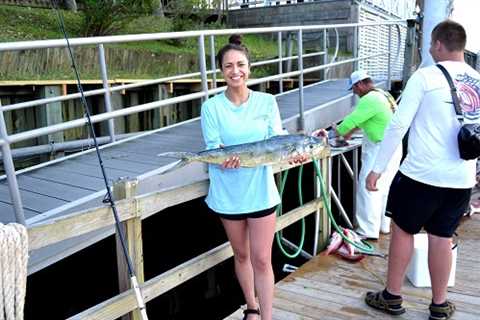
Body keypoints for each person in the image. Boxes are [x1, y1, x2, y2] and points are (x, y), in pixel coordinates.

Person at [364, 20, 480, 320]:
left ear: (439, 44)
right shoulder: (477, 80)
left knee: (404, 230)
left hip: (421, 175)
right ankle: (439, 305)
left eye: (431, 44)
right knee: (443, 235)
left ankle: (392, 296)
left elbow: (398, 124)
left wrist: (377, 169)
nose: (429, 48)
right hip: (461, 178)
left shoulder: (425, 76)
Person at [200, 34, 307, 320]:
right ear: (221, 71)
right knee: (242, 256)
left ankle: (268, 316)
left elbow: (278, 138)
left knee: (262, 258)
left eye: (241, 65)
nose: (235, 71)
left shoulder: (266, 102)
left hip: (260, 190)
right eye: (228, 66)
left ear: (249, 68)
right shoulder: (211, 107)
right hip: (227, 192)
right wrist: (224, 159)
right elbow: (213, 148)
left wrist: (294, 151)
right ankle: (252, 306)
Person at [318, 70, 402, 239]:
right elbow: (366, 118)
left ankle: (367, 231)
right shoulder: (383, 95)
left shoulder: (369, 99)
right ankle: (383, 226)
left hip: (380, 149)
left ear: (360, 85)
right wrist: (350, 132)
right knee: (383, 187)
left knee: (367, 187)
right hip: (394, 146)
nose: (355, 93)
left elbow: (351, 120)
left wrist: (336, 132)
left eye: (354, 89)